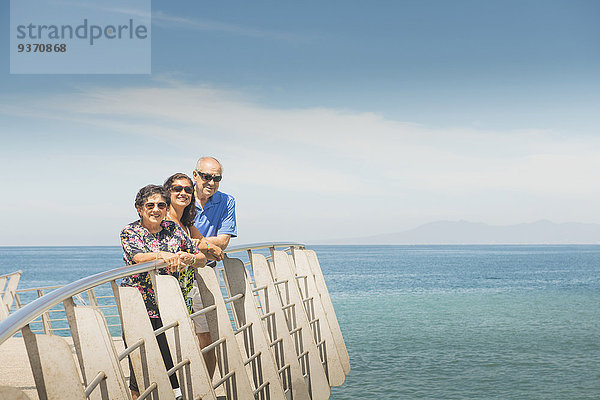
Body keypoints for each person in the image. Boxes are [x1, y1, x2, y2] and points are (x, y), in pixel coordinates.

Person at [120, 184, 206, 400]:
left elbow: (202, 259)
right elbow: (138, 257)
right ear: (139, 208)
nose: (155, 209)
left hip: (171, 307)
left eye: (161, 205)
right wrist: (165, 255)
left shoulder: (174, 229)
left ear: (167, 208)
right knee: (140, 370)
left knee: (174, 366)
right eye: (150, 205)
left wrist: (190, 258)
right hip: (139, 308)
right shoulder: (130, 231)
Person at [163, 172, 223, 377]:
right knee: (176, 343)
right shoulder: (163, 221)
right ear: (167, 192)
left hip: (190, 287)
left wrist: (206, 247)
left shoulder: (186, 222)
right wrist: (204, 249)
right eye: (177, 189)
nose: (183, 193)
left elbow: (203, 247)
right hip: (170, 292)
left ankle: (206, 387)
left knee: (207, 338)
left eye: (188, 190)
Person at [192, 156, 237, 250]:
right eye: (207, 177)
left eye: (217, 178)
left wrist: (191, 242)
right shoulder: (181, 197)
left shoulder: (227, 201)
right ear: (195, 175)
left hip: (208, 263)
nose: (212, 183)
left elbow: (223, 242)